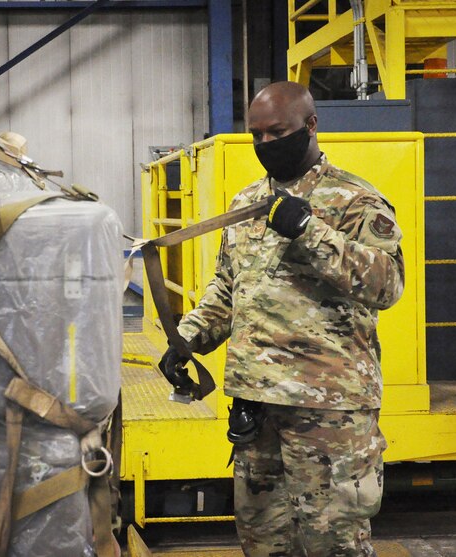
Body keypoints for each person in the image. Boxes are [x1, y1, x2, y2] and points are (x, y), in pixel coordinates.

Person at [158, 81, 404, 557]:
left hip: (330, 411)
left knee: (333, 543)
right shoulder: (247, 202)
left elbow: (387, 285)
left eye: (278, 131)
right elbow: (230, 289)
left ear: (311, 126)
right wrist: (185, 338)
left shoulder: (355, 200)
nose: (266, 144)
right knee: (263, 541)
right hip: (257, 407)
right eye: (256, 135)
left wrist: (310, 232)